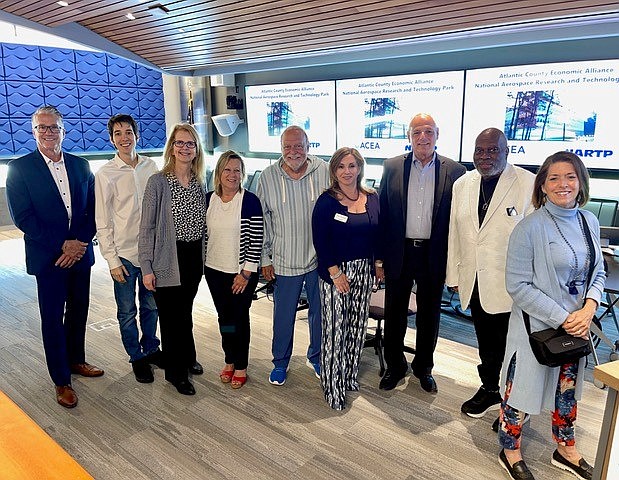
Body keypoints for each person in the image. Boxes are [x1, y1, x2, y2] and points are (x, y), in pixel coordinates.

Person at [498, 152, 604, 480]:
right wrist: (563, 317)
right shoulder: (529, 228)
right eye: (554, 178)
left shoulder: (589, 222)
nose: (563, 184)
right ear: (542, 185)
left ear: (580, 182)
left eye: (570, 176)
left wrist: (589, 308)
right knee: (520, 392)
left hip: (576, 327)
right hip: (537, 329)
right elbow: (517, 286)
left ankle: (565, 447)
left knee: (567, 391)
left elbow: (598, 272)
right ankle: (509, 448)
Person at [6, 105, 104, 409]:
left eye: (54, 127)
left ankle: (76, 361)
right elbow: (24, 218)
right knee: (52, 318)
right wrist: (64, 245)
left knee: (79, 311)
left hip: (79, 256)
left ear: (64, 130)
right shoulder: (19, 168)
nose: (48, 132)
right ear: (34, 131)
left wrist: (80, 243)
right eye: (42, 127)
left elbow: (91, 211)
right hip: (49, 257)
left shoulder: (81, 165)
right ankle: (61, 380)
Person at [446, 128, 535, 423]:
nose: (485, 156)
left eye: (492, 150)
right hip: (475, 281)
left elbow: (536, 239)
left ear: (506, 151)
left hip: (513, 288)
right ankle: (490, 388)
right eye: (480, 150)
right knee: (486, 343)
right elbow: (455, 234)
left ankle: (515, 404)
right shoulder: (463, 184)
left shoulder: (527, 183)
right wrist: (454, 275)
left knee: (515, 347)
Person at [377, 113, 466, 393]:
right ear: (409, 136)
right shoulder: (392, 166)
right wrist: (379, 258)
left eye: (428, 131)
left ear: (437, 134)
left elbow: (459, 222)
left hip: (433, 254)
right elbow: (383, 214)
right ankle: (395, 366)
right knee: (394, 313)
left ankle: (423, 368)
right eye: (417, 132)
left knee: (430, 316)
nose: (423, 137)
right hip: (398, 252)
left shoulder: (455, 171)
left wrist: (456, 264)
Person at [256, 125, 329, 386]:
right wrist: (265, 258)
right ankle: (280, 362)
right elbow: (261, 221)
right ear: (281, 149)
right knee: (283, 316)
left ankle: (317, 356)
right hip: (284, 260)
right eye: (288, 146)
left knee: (320, 314)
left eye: (298, 146)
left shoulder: (324, 170)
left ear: (308, 147)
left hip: (319, 260)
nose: (293, 151)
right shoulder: (267, 176)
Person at [139, 123, 205, 396]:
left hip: (193, 258)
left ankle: (187, 357)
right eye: (179, 143)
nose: (185, 148)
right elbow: (147, 227)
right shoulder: (158, 181)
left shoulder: (200, 181)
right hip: (167, 257)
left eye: (190, 143)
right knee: (170, 318)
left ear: (196, 149)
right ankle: (176, 374)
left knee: (185, 313)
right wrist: (146, 267)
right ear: (171, 147)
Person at [312, 147, 381, 410]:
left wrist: (378, 263)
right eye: (341, 166)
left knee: (356, 327)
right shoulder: (326, 201)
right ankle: (332, 386)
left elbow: (378, 233)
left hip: (364, 270)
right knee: (335, 331)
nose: (347, 172)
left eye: (352, 166)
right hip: (335, 273)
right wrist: (335, 274)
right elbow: (320, 241)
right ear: (334, 171)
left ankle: (349, 376)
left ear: (360, 168)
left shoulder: (372, 197)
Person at [95, 114, 162, 384]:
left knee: (151, 306)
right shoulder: (105, 174)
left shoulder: (150, 166)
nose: (125, 137)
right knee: (126, 312)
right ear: (112, 139)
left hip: (150, 253)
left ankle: (151, 349)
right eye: (119, 133)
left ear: (137, 135)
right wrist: (111, 260)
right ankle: (136, 357)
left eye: (129, 132)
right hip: (123, 255)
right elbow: (103, 220)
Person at [204, 151, 263, 389]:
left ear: (243, 174)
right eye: (227, 170)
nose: (232, 175)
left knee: (239, 318)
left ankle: (241, 365)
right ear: (218, 173)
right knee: (224, 319)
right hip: (214, 271)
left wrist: (246, 274)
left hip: (241, 273)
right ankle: (229, 358)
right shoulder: (209, 199)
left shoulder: (249, 200)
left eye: (237, 170)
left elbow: (256, 240)